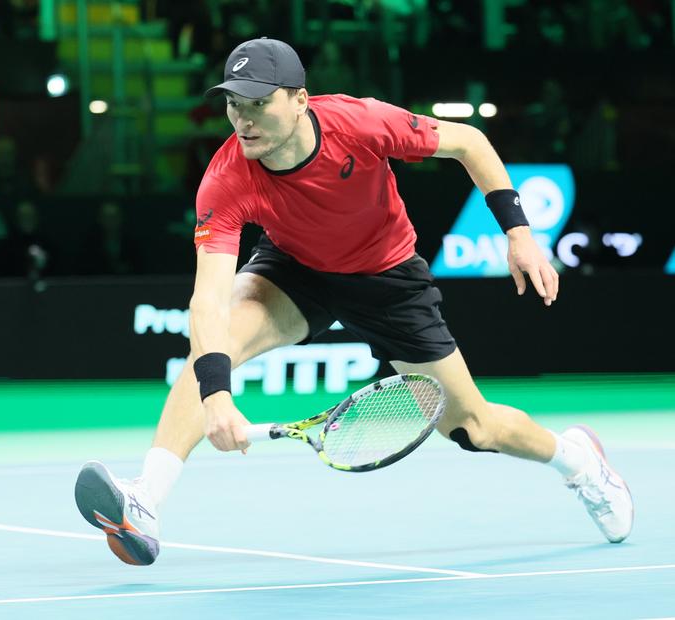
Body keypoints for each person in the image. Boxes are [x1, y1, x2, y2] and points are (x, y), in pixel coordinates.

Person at [74, 38, 634, 566]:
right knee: (213, 346)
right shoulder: (226, 178)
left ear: (299, 100)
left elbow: (469, 142)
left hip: (387, 279)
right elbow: (208, 300)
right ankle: (146, 499)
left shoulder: (359, 123)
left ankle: (579, 462)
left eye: (258, 103)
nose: (243, 119)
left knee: (473, 428)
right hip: (294, 270)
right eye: (233, 104)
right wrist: (216, 396)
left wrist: (518, 233)